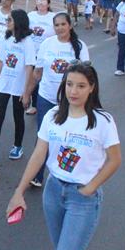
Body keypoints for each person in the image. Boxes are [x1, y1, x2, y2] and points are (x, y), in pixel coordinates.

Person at [7, 63, 121, 250]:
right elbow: (39, 154)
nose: (73, 91)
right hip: (53, 192)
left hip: (82, 199)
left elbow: (115, 160)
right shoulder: (53, 115)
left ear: (92, 88)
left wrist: (91, 188)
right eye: (69, 84)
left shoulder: (102, 121)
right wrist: (19, 191)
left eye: (81, 86)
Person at [30, 12, 90, 187]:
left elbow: (86, 74)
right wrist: (28, 92)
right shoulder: (47, 44)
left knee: (65, 137)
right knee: (43, 135)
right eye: (56, 25)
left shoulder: (79, 46)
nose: (60, 28)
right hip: (46, 97)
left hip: (69, 101)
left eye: (63, 24)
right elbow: (37, 72)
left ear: (70, 25)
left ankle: (63, 175)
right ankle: (37, 175)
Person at [0, 10, 35, 161]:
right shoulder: (6, 39)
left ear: (18, 22)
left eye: (10, 20)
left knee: (18, 116)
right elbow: (1, 62)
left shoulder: (28, 42)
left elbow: (29, 67)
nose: (7, 22)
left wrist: (26, 91)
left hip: (19, 86)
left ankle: (17, 146)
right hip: (4, 85)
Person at [26, 0, 56, 116]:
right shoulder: (31, 15)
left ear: (48, 4)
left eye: (44, 0)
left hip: (46, 53)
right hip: (31, 52)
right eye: (39, 0)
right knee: (32, 78)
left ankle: (47, 103)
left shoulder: (52, 17)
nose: (41, 2)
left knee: (43, 78)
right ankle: (34, 104)